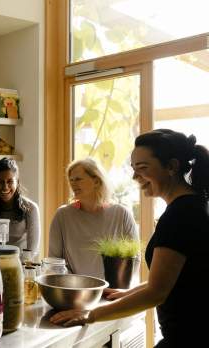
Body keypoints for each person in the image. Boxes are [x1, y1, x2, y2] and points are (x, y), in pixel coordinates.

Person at [50, 129, 209, 347]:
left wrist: (91, 314)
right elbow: (171, 279)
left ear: (171, 166)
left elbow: (156, 293)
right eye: (133, 170)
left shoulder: (181, 215)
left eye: (142, 168)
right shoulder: (193, 206)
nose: (135, 177)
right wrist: (129, 292)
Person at [49, 158, 138, 278]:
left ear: (96, 181)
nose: (73, 184)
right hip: (74, 291)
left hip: (113, 292)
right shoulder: (62, 215)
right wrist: (76, 286)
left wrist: (117, 287)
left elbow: (134, 259)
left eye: (78, 179)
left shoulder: (121, 214)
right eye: (71, 180)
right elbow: (54, 261)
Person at [0, 158, 40, 250]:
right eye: (0, 182)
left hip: (21, 262)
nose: (5, 187)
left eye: (10, 181)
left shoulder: (30, 209)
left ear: (17, 182)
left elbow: (32, 250)